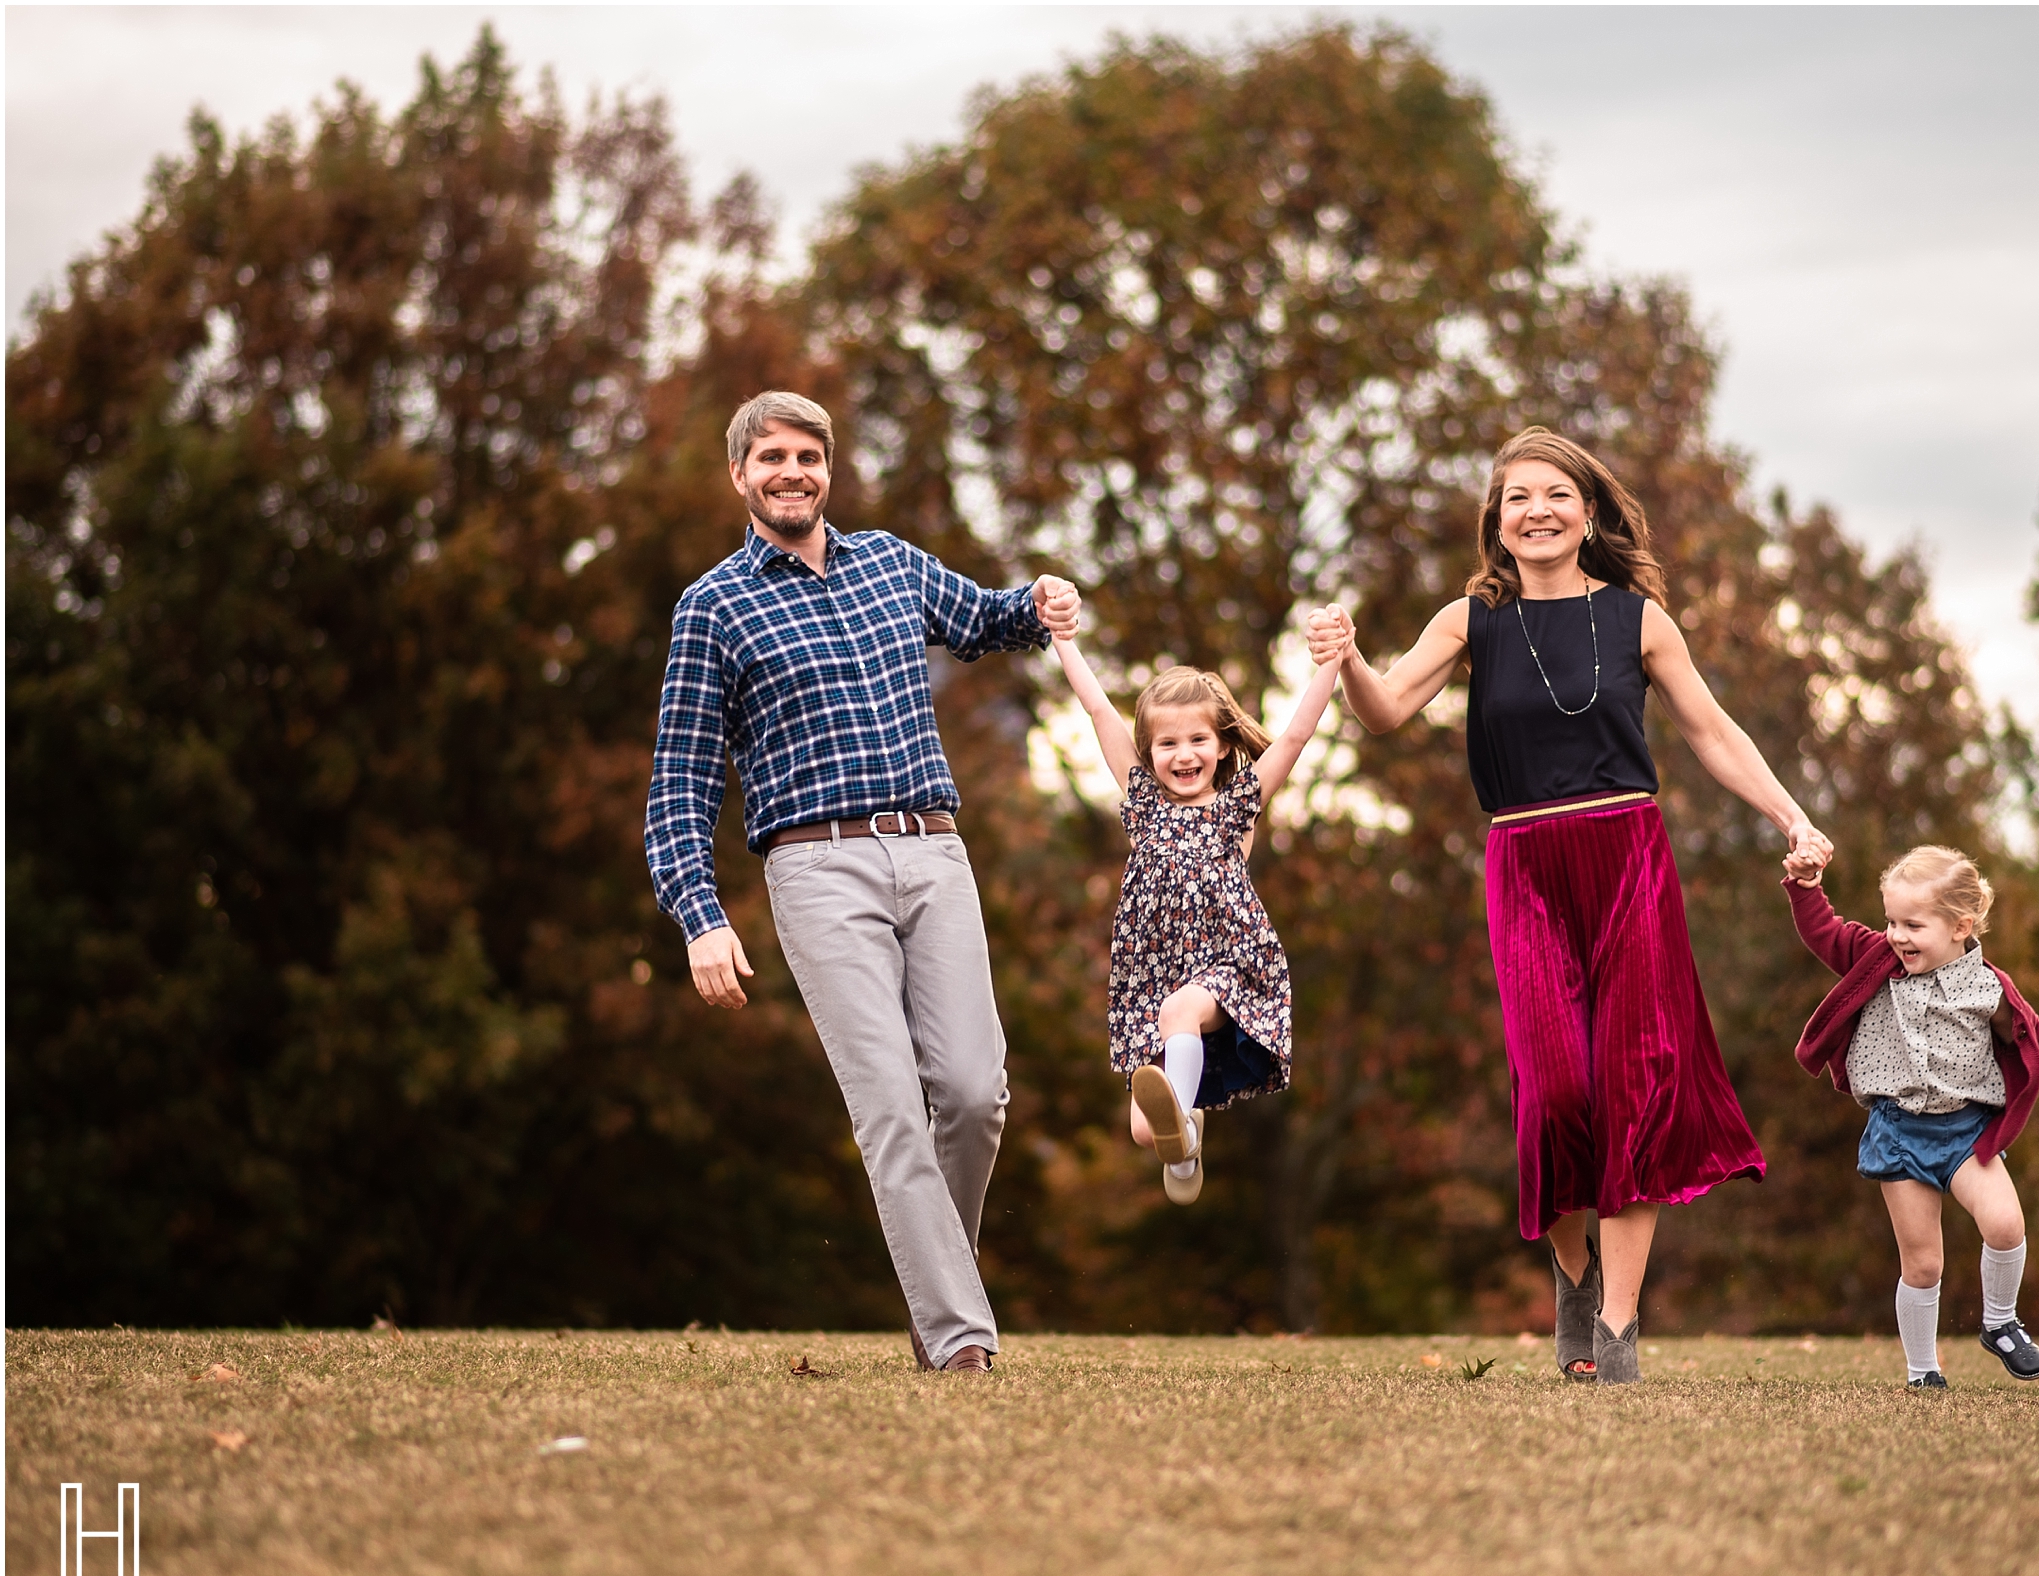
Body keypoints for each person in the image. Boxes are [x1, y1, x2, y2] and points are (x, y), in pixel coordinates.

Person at [1308, 426, 1832, 1384]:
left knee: (1633, 1086)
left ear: (1586, 512)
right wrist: (1344, 658)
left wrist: (1792, 816)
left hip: (1629, 854)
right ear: (1497, 521)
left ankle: (1619, 1331)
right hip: (1525, 862)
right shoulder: (1472, 619)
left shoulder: (1639, 619)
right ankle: (1575, 1273)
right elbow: (1382, 712)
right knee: (1555, 1092)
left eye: (1556, 495)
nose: (1537, 511)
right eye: (1518, 498)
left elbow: (1712, 733)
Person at [643, 390, 1080, 1375]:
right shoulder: (712, 606)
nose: (791, 471)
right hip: (815, 866)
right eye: (771, 458)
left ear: (827, 469)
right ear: (739, 475)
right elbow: (677, 784)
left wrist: (1043, 600)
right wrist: (699, 915)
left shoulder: (888, 561)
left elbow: (988, 619)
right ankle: (961, 1340)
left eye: (808, 455)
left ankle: (939, 1284)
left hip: (932, 850)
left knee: (973, 1093)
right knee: (889, 1104)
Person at [1781, 843, 2039, 1388]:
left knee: (2005, 1224)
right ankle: (1922, 1371)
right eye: (1891, 921)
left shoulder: (1986, 987)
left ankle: (2000, 1323)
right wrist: (1806, 888)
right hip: (1898, 1133)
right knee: (1924, 1263)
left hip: (1966, 1133)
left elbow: (2029, 1033)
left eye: (1913, 924)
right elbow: (1825, 932)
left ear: (1961, 926)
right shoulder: (1876, 961)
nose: (1897, 935)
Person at [1048, 619, 1341, 1203]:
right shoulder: (1142, 804)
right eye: (1167, 743)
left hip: (1227, 965)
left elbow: (1293, 739)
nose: (1184, 755)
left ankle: (1181, 1117)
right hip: (1150, 973)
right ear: (1149, 752)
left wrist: (1332, 661)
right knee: (1140, 1129)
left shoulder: (1237, 807)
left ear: (1224, 744)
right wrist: (1063, 642)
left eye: (1198, 740)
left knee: (1183, 1009)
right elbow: (1101, 713)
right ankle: (1184, 1146)